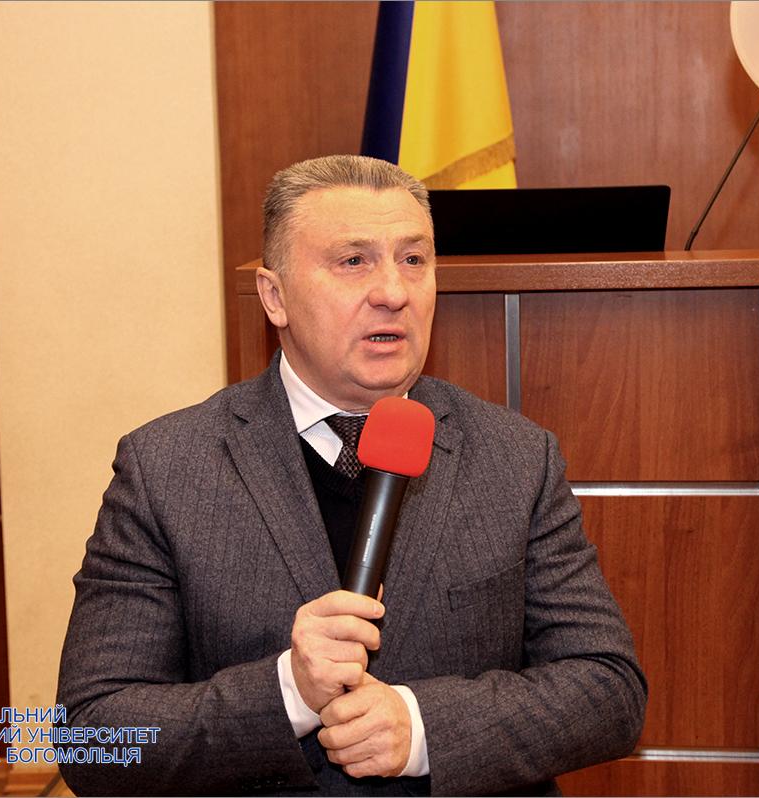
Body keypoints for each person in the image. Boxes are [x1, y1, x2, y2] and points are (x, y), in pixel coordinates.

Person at [56, 155, 646, 796]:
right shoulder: (166, 467)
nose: (393, 291)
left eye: (413, 260)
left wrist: (422, 729)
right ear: (274, 297)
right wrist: (287, 692)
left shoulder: (517, 457)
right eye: (353, 261)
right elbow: (90, 737)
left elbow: (609, 690)